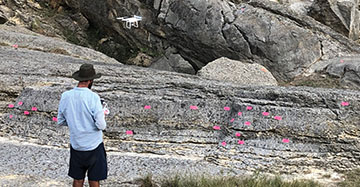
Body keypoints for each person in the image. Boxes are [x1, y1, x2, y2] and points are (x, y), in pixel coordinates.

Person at [57, 63, 107, 187]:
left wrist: (75, 121)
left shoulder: (65, 96)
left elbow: (61, 120)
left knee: (77, 178)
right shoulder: (94, 97)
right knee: (94, 179)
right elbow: (101, 125)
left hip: (76, 144)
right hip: (94, 145)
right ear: (91, 80)